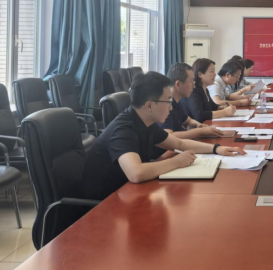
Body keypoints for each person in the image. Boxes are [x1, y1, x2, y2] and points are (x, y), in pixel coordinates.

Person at [83, 72, 246, 201]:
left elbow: (179, 144)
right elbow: (136, 173)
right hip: (103, 203)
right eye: (168, 101)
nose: (171, 107)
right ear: (149, 105)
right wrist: (177, 161)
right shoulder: (123, 129)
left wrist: (217, 149)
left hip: (127, 193)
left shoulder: (145, 121)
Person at [162, 62, 226, 139]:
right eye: (191, 81)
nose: (194, 86)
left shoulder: (177, 101)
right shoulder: (164, 104)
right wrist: (201, 131)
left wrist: (199, 125)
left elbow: (188, 121)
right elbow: (168, 136)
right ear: (178, 84)